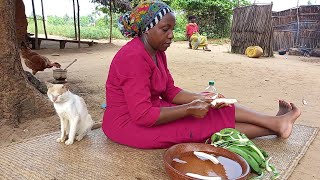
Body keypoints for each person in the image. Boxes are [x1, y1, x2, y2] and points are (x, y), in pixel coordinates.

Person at [102, 1, 301, 149]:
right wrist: (188, 109)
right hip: (127, 124)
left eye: (172, 29)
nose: (171, 35)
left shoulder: (157, 52)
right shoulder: (133, 57)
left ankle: (274, 122)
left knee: (214, 108)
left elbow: (169, 91)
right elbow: (143, 116)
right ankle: (275, 126)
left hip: (150, 109)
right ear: (146, 30)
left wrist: (202, 98)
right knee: (199, 128)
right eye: (165, 29)